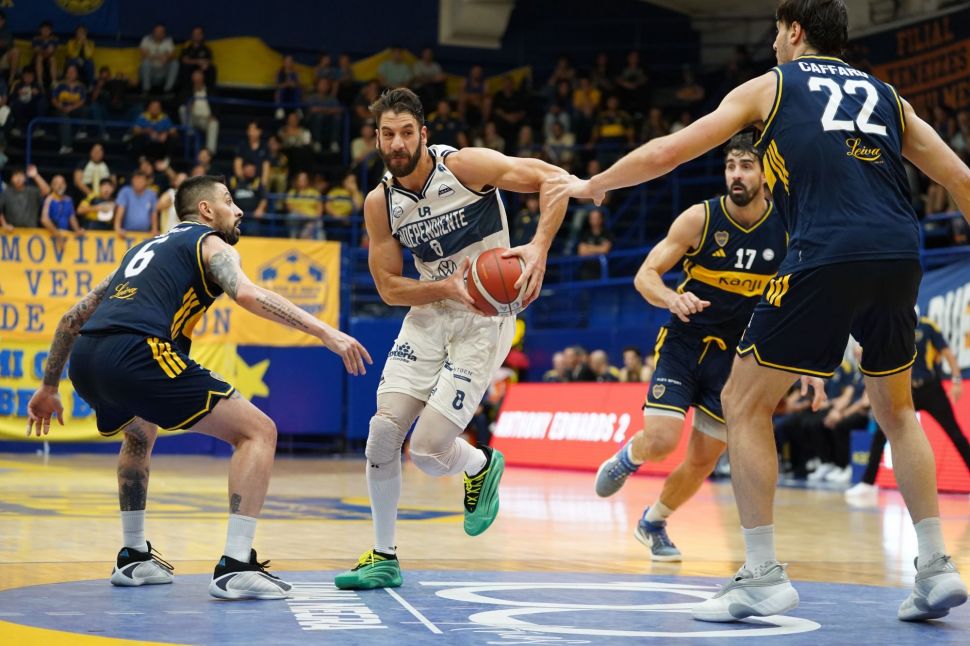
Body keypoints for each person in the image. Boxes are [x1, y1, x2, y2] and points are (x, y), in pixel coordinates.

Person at [551, 0, 969, 623]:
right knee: (898, 410)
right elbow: (960, 178)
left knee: (743, 403)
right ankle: (935, 567)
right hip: (900, 252)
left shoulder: (773, 85)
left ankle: (762, 576)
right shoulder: (888, 97)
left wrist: (595, 184)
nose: (774, 43)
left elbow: (668, 152)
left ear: (794, 32)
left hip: (826, 248)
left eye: (777, 32)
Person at [26, 174, 371, 601]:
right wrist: (324, 332)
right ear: (205, 210)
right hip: (138, 351)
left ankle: (133, 556)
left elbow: (71, 319)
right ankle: (235, 565)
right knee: (258, 432)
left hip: (87, 359)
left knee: (139, 433)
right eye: (229, 200)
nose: (238, 209)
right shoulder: (209, 242)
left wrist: (49, 387)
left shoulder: (141, 251)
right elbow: (246, 294)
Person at [334, 87, 567, 590]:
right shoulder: (380, 203)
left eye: (406, 133)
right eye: (388, 134)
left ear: (423, 134)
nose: (398, 143)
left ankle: (480, 465)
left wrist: (539, 248)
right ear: (377, 139)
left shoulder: (465, 167)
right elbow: (388, 287)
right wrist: (444, 288)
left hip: (484, 317)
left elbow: (554, 179)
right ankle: (383, 556)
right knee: (382, 434)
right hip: (429, 312)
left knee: (428, 448)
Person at [594, 137, 785, 562]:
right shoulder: (700, 218)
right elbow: (645, 275)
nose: (737, 174)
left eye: (747, 166)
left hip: (736, 358)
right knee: (662, 441)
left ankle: (653, 522)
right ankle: (630, 456)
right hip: (686, 342)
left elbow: (802, 297)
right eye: (731, 166)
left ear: (766, 173)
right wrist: (671, 298)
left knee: (702, 461)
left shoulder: (785, 227)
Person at [847, 317, 970, 503]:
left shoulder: (927, 326)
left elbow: (946, 352)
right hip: (904, 390)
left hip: (930, 389)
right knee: (882, 432)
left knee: (955, 433)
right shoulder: (892, 326)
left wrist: (957, 380)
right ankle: (867, 483)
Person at [0, 165, 50, 229]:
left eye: (21, 175)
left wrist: (36, 176)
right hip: (13, 232)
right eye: (15, 175)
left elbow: (47, 191)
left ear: (25, 178)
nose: (18, 178)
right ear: (11, 179)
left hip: (31, 231)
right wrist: (4, 224)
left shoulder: (32, 191)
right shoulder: (6, 193)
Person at [114, 170, 158, 234]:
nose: (138, 183)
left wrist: (154, 229)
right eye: (136, 181)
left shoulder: (151, 194)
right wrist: (117, 228)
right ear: (132, 181)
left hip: (145, 233)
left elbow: (153, 213)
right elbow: (120, 210)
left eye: (140, 181)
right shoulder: (125, 192)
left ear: (146, 182)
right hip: (126, 232)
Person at [139, 24, 178, 94]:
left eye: (161, 32)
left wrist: (167, 58)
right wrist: (160, 56)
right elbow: (144, 54)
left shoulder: (168, 40)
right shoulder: (146, 39)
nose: (159, 34)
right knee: (145, 63)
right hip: (150, 72)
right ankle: (146, 89)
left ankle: (168, 89)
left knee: (175, 63)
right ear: (153, 32)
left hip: (163, 71)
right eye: (157, 31)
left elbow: (172, 55)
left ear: (164, 33)